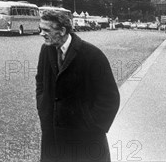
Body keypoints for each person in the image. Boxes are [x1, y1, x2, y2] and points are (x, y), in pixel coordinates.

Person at [36, 9, 120, 162]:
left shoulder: (92, 55)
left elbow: (110, 97)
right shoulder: (46, 50)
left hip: (83, 137)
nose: (41, 33)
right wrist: (43, 107)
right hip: (53, 133)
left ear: (62, 31)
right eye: (41, 29)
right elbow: (40, 82)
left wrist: (92, 125)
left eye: (46, 30)